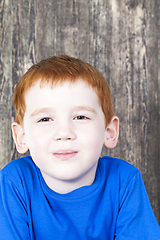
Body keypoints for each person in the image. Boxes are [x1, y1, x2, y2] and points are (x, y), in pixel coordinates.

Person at [0, 55, 160, 240]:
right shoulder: (14, 182)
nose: (64, 133)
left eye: (81, 117)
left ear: (109, 131)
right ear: (22, 137)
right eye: (45, 119)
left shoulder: (123, 180)